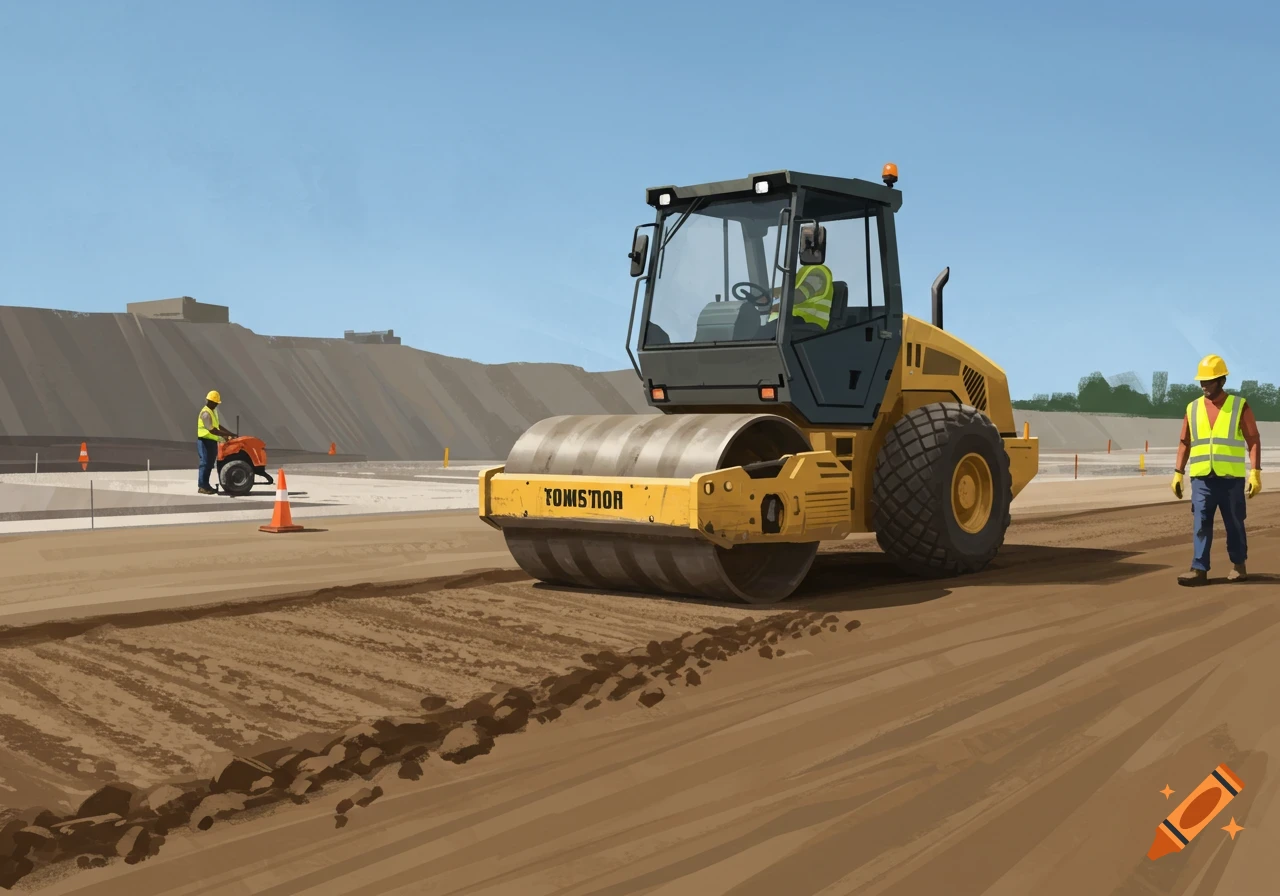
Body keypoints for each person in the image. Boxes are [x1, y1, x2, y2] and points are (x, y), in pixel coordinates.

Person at [1170, 355, 1263, 585]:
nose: (1204, 385)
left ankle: (1239, 565)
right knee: (1201, 523)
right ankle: (1199, 569)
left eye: (1209, 381)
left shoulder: (1239, 406)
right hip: (1202, 479)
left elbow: (1253, 439)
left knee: (1234, 523)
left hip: (1231, 480)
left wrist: (1256, 472)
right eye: (1201, 381)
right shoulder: (1192, 408)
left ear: (1222, 381)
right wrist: (1178, 473)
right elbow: (1185, 442)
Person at [766, 263, 835, 330]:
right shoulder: (801, 274)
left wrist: (770, 294)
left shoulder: (817, 271)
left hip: (807, 330)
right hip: (790, 328)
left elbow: (800, 295)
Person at [197, 390, 237, 495]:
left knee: (209, 464)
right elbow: (212, 430)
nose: (216, 405)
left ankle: (206, 486)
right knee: (205, 464)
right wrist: (225, 435)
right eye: (215, 403)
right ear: (209, 401)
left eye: (216, 403)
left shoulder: (213, 411)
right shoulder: (206, 413)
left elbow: (218, 426)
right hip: (205, 441)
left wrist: (230, 433)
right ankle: (202, 486)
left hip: (211, 441)